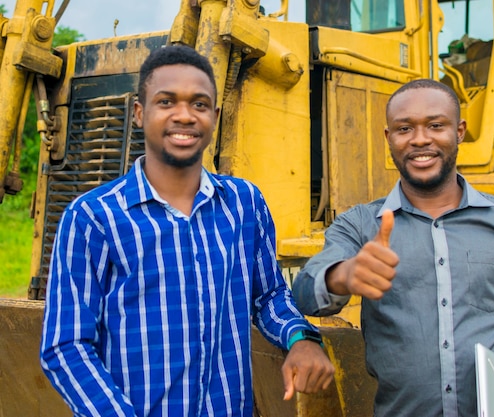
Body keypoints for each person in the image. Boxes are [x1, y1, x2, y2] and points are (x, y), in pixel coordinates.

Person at [40, 44, 334, 417]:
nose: (185, 115)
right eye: (166, 102)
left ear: (214, 115)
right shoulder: (93, 218)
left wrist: (301, 338)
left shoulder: (244, 203)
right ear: (139, 113)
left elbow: (269, 296)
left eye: (198, 104)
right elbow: (67, 346)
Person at [292, 79, 494, 417]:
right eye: (404, 128)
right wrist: (343, 276)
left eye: (436, 125)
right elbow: (305, 294)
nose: (420, 139)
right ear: (388, 138)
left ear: (460, 131)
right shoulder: (361, 225)